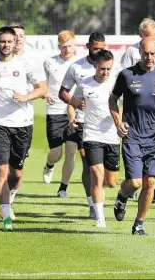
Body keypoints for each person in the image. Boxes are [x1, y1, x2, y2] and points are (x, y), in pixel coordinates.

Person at [0, 26, 47, 231]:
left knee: (17, 174)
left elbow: (43, 89)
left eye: (9, 41)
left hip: (23, 124)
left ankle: (10, 198)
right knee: (1, 169)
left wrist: (25, 97)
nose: (6, 45)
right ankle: (5, 215)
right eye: (2, 41)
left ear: (15, 43)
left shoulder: (27, 63)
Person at [110, 38, 155, 235]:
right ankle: (122, 195)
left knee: (151, 182)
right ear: (140, 52)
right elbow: (113, 100)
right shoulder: (127, 75)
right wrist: (118, 123)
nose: (149, 58)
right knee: (136, 182)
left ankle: (139, 223)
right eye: (146, 53)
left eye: (153, 54)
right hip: (133, 137)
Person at [58, 32, 111, 218]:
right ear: (88, 46)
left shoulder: (111, 67)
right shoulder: (76, 67)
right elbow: (63, 92)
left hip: (107, 125)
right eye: (96, 48)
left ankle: (102, 194)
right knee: (88, 163)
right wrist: (75, 103)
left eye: (102, 48)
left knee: (109, 175)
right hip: (83, 122)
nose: (99, 51)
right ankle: (92, 204)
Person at [68, 50, 119, 228]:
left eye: (108, 69)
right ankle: (100, 217)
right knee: (97, 175)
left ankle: (115, 197)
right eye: (102, 68)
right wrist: (72, 117)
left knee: (111, 181)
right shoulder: (85, 85)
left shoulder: (116, 83)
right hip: (91, 135)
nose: (105, 72)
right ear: (95, 66)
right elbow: (72, 104)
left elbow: (127, 105)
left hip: (112, 136)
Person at [41, 31, 79, 198]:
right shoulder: (49, 62)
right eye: (63, 47)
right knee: (56, 154)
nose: (67, 50)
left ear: (74, 45)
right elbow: (41, 84)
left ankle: (63, 188)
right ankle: (49, 165)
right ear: (59, 47)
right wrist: (45, 94)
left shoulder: (81, 63)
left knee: (71, 152)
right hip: (55, 111)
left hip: (74, 112)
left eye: (69, 46)